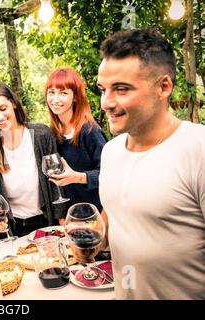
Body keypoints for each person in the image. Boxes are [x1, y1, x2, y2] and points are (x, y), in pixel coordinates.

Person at [97, 28, 205, 299]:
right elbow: (120, 216)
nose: (106, 103)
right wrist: (96, 235)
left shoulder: (198, 149)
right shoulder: (110, 151)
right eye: (103, 89)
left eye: (121, 89)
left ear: (163, 87)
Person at [0, 80, 64, 238]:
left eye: (3, 109)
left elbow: (56, 183)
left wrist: (63, 223)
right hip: (13, 229)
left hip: (46, 223)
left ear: (14, 104)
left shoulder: (41, 135)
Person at [45, 67, 107, 224]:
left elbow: (110, 175)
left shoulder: (90, 131)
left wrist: (78, 177)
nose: (55, 99)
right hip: (72, 218)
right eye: (51, 92)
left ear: (75, 97)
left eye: (63, 93)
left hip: (97, 216)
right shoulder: (52, 134)